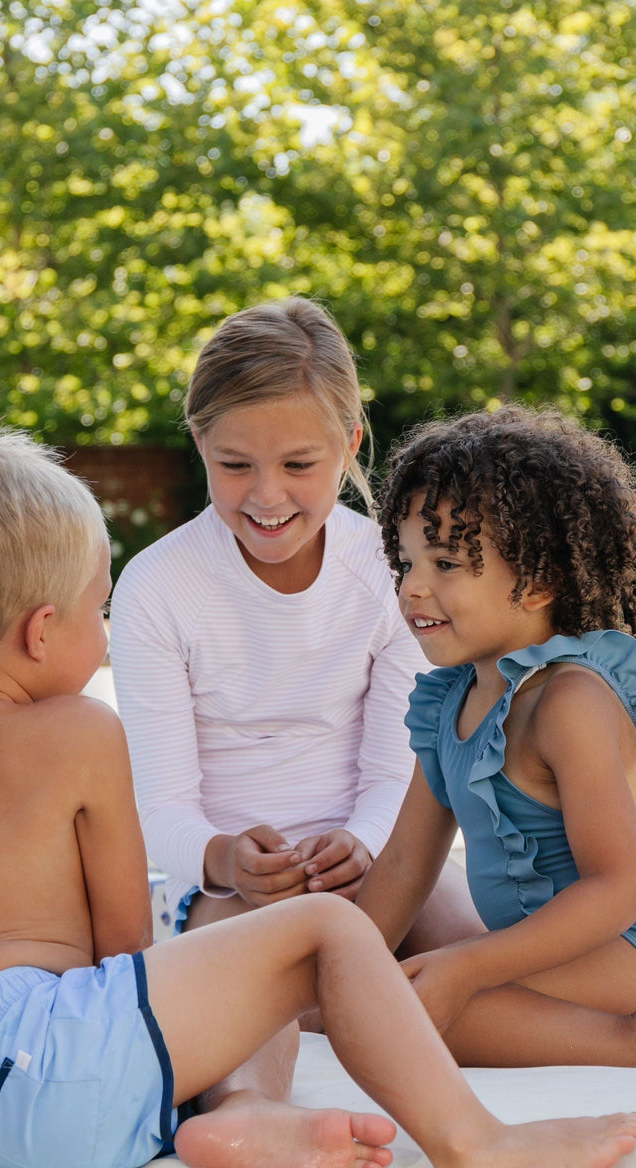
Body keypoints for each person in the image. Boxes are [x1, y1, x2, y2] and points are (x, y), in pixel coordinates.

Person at [0, 429, 636, 1168]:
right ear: (39, 632)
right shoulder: (77, 730)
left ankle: (242, 1112)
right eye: (97, 609)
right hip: (51, 1067)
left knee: (251, 964)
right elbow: (126, 947)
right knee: (321, 929)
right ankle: (474, 1151)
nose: (104, 633)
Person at [108, 296, 481, 1117]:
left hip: (371, 863)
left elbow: (396, 773)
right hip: (230, 889)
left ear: (350, 445)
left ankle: (628, 1038)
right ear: (200, 443)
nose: (267, 496)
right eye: (235, 464)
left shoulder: (386, 569)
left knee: (470, 945)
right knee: (225, 975)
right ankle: (250, 1116)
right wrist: (225, 858)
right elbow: (162, 804)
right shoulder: (158, 588)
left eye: (300, 465)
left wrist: (366, 844)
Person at [358, 405, 636, 1068]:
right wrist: (334, 972)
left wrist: (466, 968)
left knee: (409, 1017)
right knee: (356, 1000)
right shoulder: (447, 704)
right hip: (549, 948)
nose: (412, 589)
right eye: (405, 563)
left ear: (539, 581)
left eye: (444, 563)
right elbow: (406, 868)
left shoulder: (569, 701)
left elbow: (615, 890)